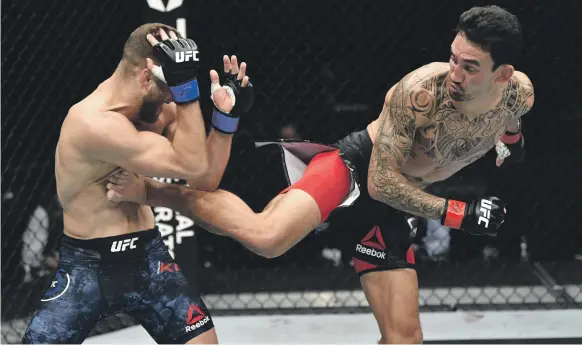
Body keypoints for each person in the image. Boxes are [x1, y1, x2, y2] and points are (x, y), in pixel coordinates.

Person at [108, 6, 533, 344]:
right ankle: (156, 192)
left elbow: (510, 123)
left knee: (405, 338)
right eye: (454, 58)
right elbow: (380, 182)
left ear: (503, 74)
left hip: (397, 201)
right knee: (266, 239)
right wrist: (457, 212)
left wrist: (509, 147)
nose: (455, 74)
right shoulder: (420, 92)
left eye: (471, 67)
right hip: (356, 170)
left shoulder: (519, 94)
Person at [23, 23, 254, 344]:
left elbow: (204, 178)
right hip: (88, 268)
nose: (174, 97)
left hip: (149, 257)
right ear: (147, 74)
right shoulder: (93, 121)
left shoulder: (163, 107)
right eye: (171, 84)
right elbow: (190, 162)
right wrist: (186, 89)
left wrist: (226, 119)